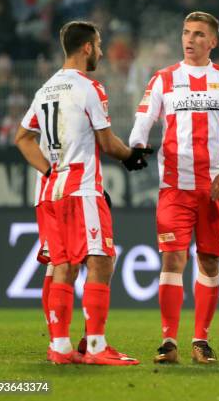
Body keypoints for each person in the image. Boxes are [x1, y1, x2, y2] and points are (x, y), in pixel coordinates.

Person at [14, 20, 151, 365]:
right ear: (87, 47)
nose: (102, 52)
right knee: (101, 259)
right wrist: (131, 156)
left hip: (48, 189)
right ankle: (95, 346)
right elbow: (106, 142)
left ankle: (59, 348)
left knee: (62, 264)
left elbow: (22, 138)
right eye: (99, 45)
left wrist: (48, 170)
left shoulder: (45, 89)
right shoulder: (89, 87)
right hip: (80, 186)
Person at [129, 11, 219, 364]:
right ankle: (168, 340)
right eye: (186, 33)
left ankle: (201, 340)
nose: (190, 39)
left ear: (213, 41)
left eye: (198, 34)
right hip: (174, 189)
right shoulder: (164, 79)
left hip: (215, 188)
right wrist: (138, 146)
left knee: (209, 262)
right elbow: (142, 123)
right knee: (172, 258)